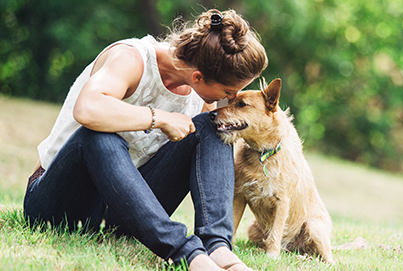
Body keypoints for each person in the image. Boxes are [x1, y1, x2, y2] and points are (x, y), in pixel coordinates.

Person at [23, 9, 268, 271]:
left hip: (121, 212)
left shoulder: (200, 95)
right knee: (98, 136)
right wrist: (160, 118)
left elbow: (210, 159)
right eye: (229, 91)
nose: (230, 99)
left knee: (212, 128)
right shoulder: (131, 58)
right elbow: (87, 109)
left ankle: (218, 248)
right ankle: (189, 256)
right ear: (198, 77)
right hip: (61, 203)